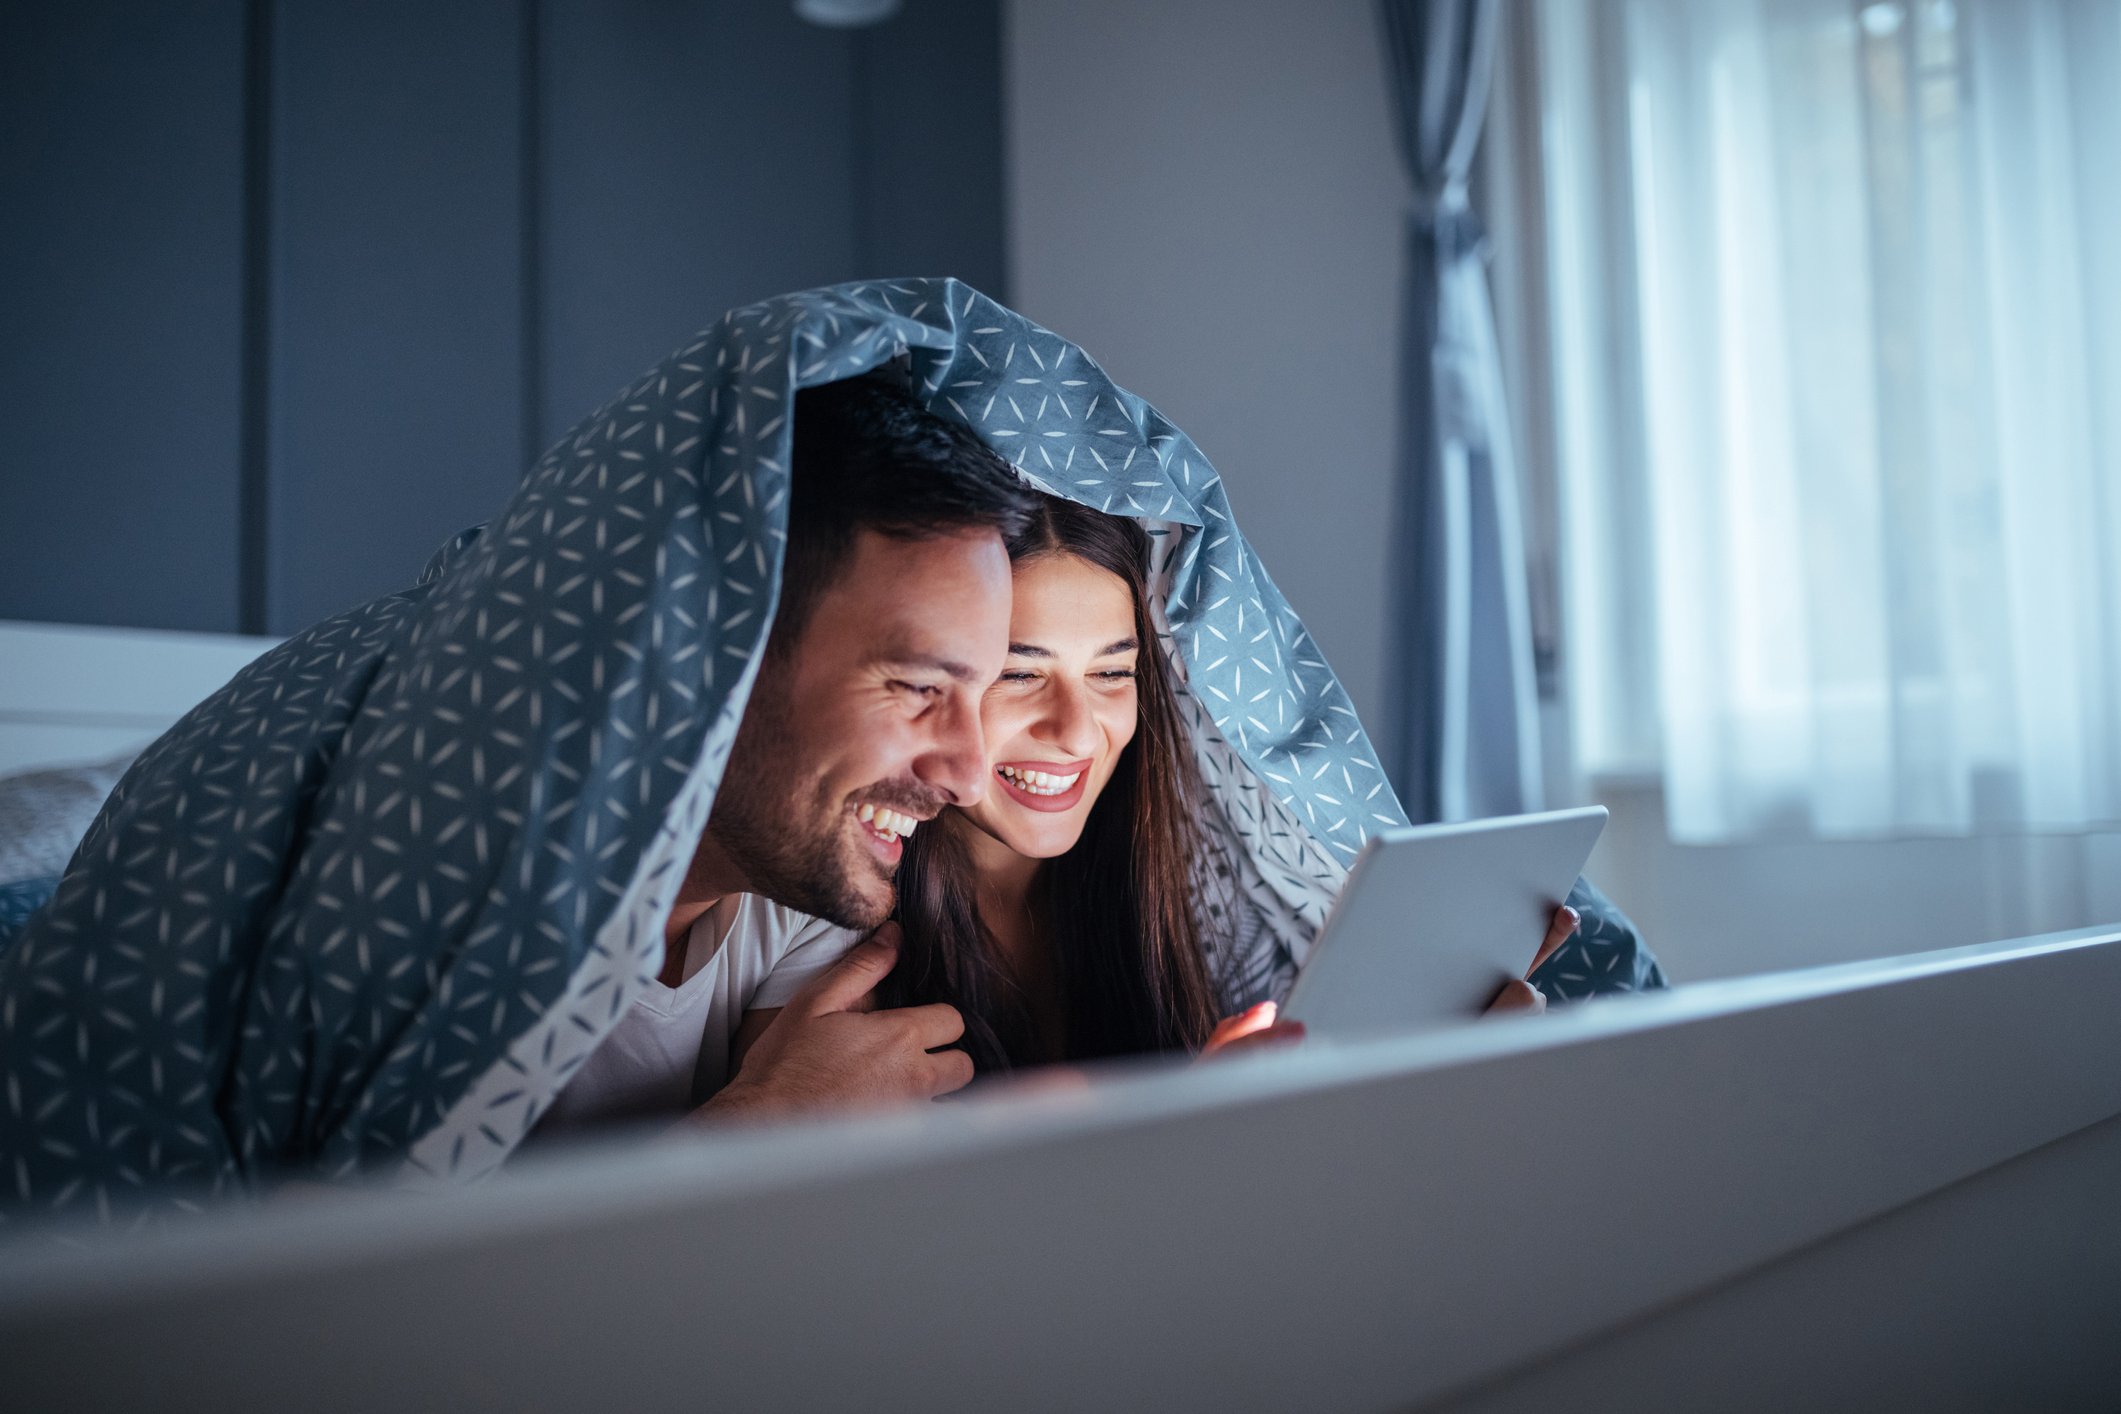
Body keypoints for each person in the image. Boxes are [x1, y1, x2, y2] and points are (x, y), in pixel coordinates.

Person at [723, 495, 1576, 1086]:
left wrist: (1426, 1057)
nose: (1075, 730)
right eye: (1019, 673)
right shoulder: (830, 907)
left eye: (1111, 673)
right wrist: (1199, 1138)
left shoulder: (1190, 889)